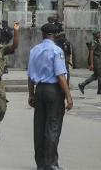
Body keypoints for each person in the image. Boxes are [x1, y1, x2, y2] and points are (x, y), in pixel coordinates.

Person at [27, 23, 73, 170]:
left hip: (39, 89)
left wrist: (31, 94)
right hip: (53, 91)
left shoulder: (34, 50)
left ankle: (40, 163)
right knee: (52, 126)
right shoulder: (56, 50)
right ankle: (51, 163)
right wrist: (68, 96)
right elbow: (60, 75)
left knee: (39, 127)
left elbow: (29, 76)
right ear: (55, 35)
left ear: (43, 34)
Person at [78, 30, 101, 94]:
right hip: (96, 59)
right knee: (100, 75)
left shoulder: (96, 41)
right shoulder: (94, 42)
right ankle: (100, 91)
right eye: (98, 34)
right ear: (95, 34)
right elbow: (91, 52)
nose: (100, 35)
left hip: (97, 59)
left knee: (95, 75)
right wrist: (91, 64)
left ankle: (82, 85)